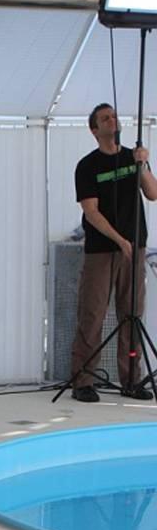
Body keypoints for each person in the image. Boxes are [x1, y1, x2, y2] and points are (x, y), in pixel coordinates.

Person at [70, 102, 157, 401]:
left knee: (132, 314)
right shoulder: (87, 166)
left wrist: (143, 164)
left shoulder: (133, 158)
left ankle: (132, 379)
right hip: (102, 250)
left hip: (135, 247)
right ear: (94, 129)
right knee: (92, 314)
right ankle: (83, 381)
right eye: (105, 118)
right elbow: (91, 212)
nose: (112, 120)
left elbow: (153, 193)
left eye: (114, 116)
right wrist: (120, 240)